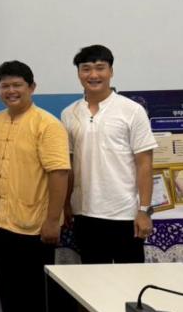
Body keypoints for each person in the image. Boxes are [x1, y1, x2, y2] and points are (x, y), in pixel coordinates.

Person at [0, 61, 70, 312]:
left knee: (35, 294)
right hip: (0, 221)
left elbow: (59, 173)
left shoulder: (47, 124)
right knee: (9, 289)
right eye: (5, 86)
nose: (11, 91)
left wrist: (53, 220)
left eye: (17, 85)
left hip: (34, 224)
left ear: (32, 87)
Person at [62, 45, 157, 264]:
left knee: (130, 280)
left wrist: (144, 210)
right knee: (93, 280)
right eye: (86, 69)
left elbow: (144, 164)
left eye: (100, 68)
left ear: (111, 71)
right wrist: (66, 204)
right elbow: (69, 164)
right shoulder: (69, 114)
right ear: (78, 74)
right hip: (84, 214)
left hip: (125, 214)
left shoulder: (132, 110)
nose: (93, 75)